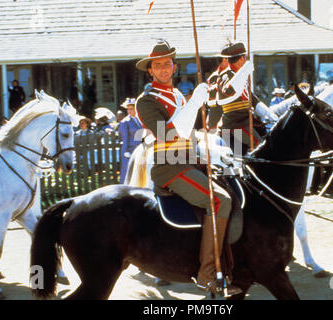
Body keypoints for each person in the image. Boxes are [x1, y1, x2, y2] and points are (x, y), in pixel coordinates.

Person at [134, 40, 241, 295]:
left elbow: (191, 132)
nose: (163, 69)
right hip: (169, 168)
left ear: (174, 66)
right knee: (219, 201)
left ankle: (230, 265)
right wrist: (194, 103)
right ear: (150, 70)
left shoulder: (178, 95)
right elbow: (167, 134)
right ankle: (206, 274)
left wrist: (212, 148)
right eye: (157, 65)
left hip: (190, 160)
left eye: (167, 64)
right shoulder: (146, 101)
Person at [215, 41, 277, 155]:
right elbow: (228, 91)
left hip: (247, 121)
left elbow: (253, 100)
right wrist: (243, 72)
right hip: (235, 124)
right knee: (260, 145)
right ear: (242, 59)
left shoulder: (241, 77)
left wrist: (268, 114)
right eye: (245, 58)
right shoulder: (226, 75)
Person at [118, 98, 142, 184]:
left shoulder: (140, 120)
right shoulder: (125, 122)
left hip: (141, 150)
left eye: (131, 108)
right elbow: (125, 139)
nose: (129, 111)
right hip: (130, 150)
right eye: (128, 109)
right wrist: (126, 152)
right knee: (126, 172)